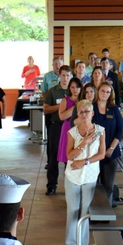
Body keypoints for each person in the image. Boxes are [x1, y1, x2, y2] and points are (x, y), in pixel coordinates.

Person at [64, 100, 106, 245]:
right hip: (73, 176)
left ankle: (82, 244)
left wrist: (85, 161)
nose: (84, 114)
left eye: (87, 111)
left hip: (90, 175)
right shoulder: (73, 132)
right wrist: (84, 142)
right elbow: (69, 155)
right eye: (80, 112)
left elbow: (101, 154)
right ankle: (71, 243)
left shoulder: (100, 130)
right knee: (72, 209)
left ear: (92, 113)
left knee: (85, 210)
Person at [42, 65, 73, 196]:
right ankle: (51, 185)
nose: (65, 78)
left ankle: (70, 185)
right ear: (59, 76)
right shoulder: (53, 91)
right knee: (53, 157)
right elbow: (46, 109)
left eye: (68, 75)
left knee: (69, 156)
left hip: (71, 127)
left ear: (71, 76)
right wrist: (60, 106)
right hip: (56, 126)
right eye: (63, 75)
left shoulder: (75, 91)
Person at [91, 81, 123, 205]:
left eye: (108, 92)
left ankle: (107, 209)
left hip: (111, 152)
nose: (105, 94)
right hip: (93, 151)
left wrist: (111, 148)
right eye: (102, 91)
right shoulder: (92, 107)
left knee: (108, 184)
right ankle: (93, 210)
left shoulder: (114, 109)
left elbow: (120, 130)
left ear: (111, 94)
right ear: (98, 92)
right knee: (93, 184)